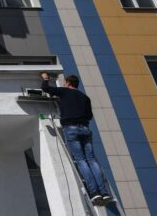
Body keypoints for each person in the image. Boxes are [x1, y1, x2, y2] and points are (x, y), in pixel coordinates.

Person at [41, 72, 112, 206]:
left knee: (81, 160)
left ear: (68, 83)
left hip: (71, 128)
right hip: (85, 129)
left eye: (65, 82)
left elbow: (46, 88)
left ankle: (94, 192)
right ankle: (104, 192)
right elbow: (89, 116)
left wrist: (45, 78)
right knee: (91, 160)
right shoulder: (85, 98)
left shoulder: (64, 92)